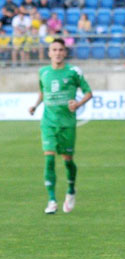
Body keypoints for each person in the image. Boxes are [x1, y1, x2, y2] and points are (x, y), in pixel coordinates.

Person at [28, 38, 92, 214]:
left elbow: (88, 92)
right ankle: (51, 200)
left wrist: (78, 105)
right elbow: (43, 92)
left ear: (65, 53)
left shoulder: (73, 71)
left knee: (67, 161)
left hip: (67, 123)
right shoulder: (43, 72)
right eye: (54, 50)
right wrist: (35, 105)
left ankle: (71, 190)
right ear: (49, 53)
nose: (57, 53)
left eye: (60, 50)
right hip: (48, 122)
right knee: (49, 159)